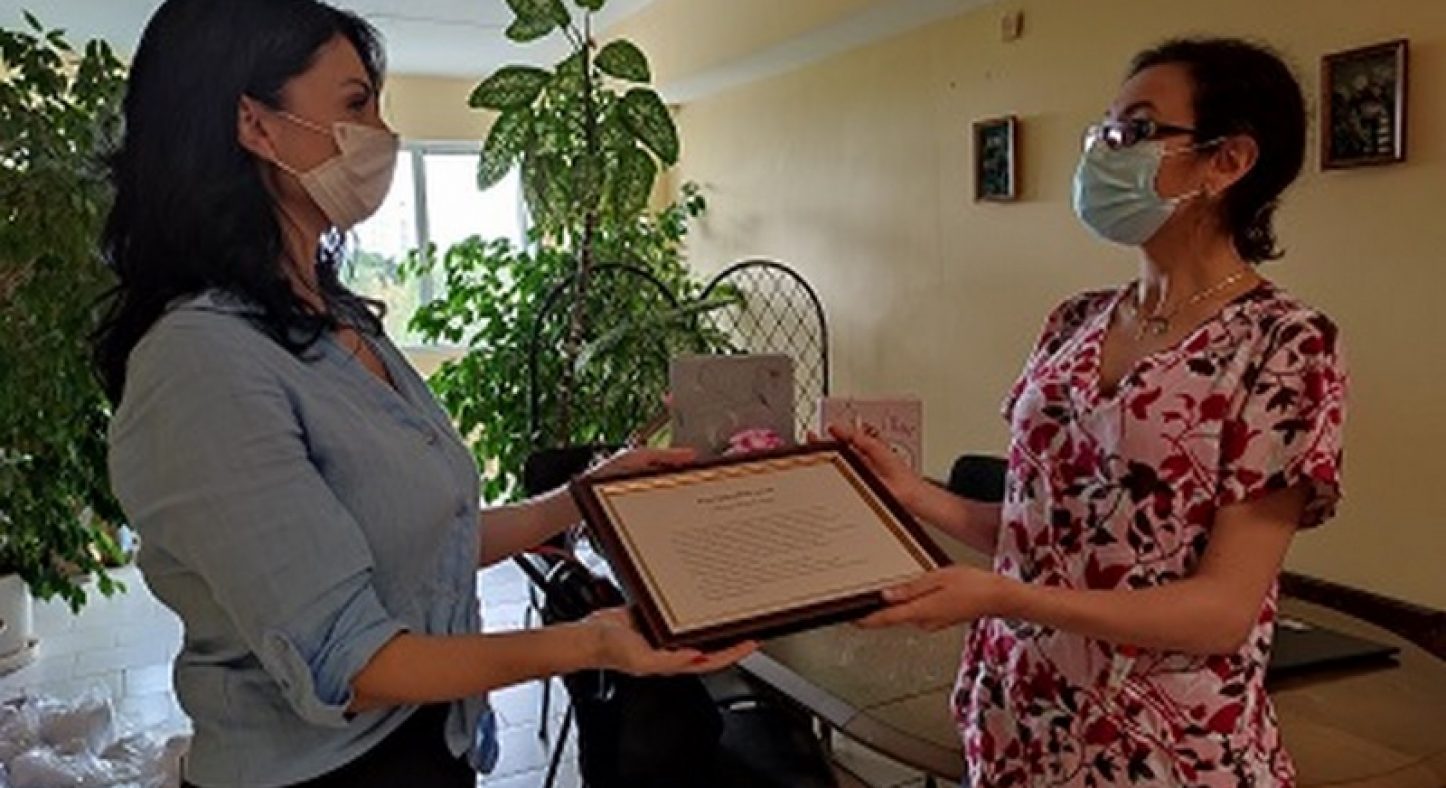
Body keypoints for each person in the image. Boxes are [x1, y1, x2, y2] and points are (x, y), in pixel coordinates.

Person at [93, 1, 752, 786]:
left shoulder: (336, 321)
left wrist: (587, 494)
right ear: (256, 125)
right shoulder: (201, 364)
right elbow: (353, 664)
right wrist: (594, 642)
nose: (381, 134)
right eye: (355, 104)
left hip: (430, 745)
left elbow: (425, 543)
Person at [836, 38, 1345, 786]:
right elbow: (1048, 537)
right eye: (1103, 131)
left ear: (1228, 161)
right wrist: (912, 493)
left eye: (1135, 131)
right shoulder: (1073, 323)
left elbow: (1222, 611)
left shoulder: (1284, 344)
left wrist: (1008, 596)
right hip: (1021, 721)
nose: (1106, 152)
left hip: (1161, 747)